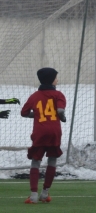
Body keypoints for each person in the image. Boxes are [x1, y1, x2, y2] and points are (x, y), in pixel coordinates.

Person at [21, 67, 66, 204]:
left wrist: (37, 115)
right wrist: (62, 118)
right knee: (52, 161)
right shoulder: (58, 95)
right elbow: (60, 110)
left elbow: (23, 112)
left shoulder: (34, 96)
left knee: (36, 161)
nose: (57, 80)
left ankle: (33, 195)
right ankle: (45, 193)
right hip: (54, 132)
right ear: (52, 80)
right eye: (56, 77)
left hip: (39, 132)